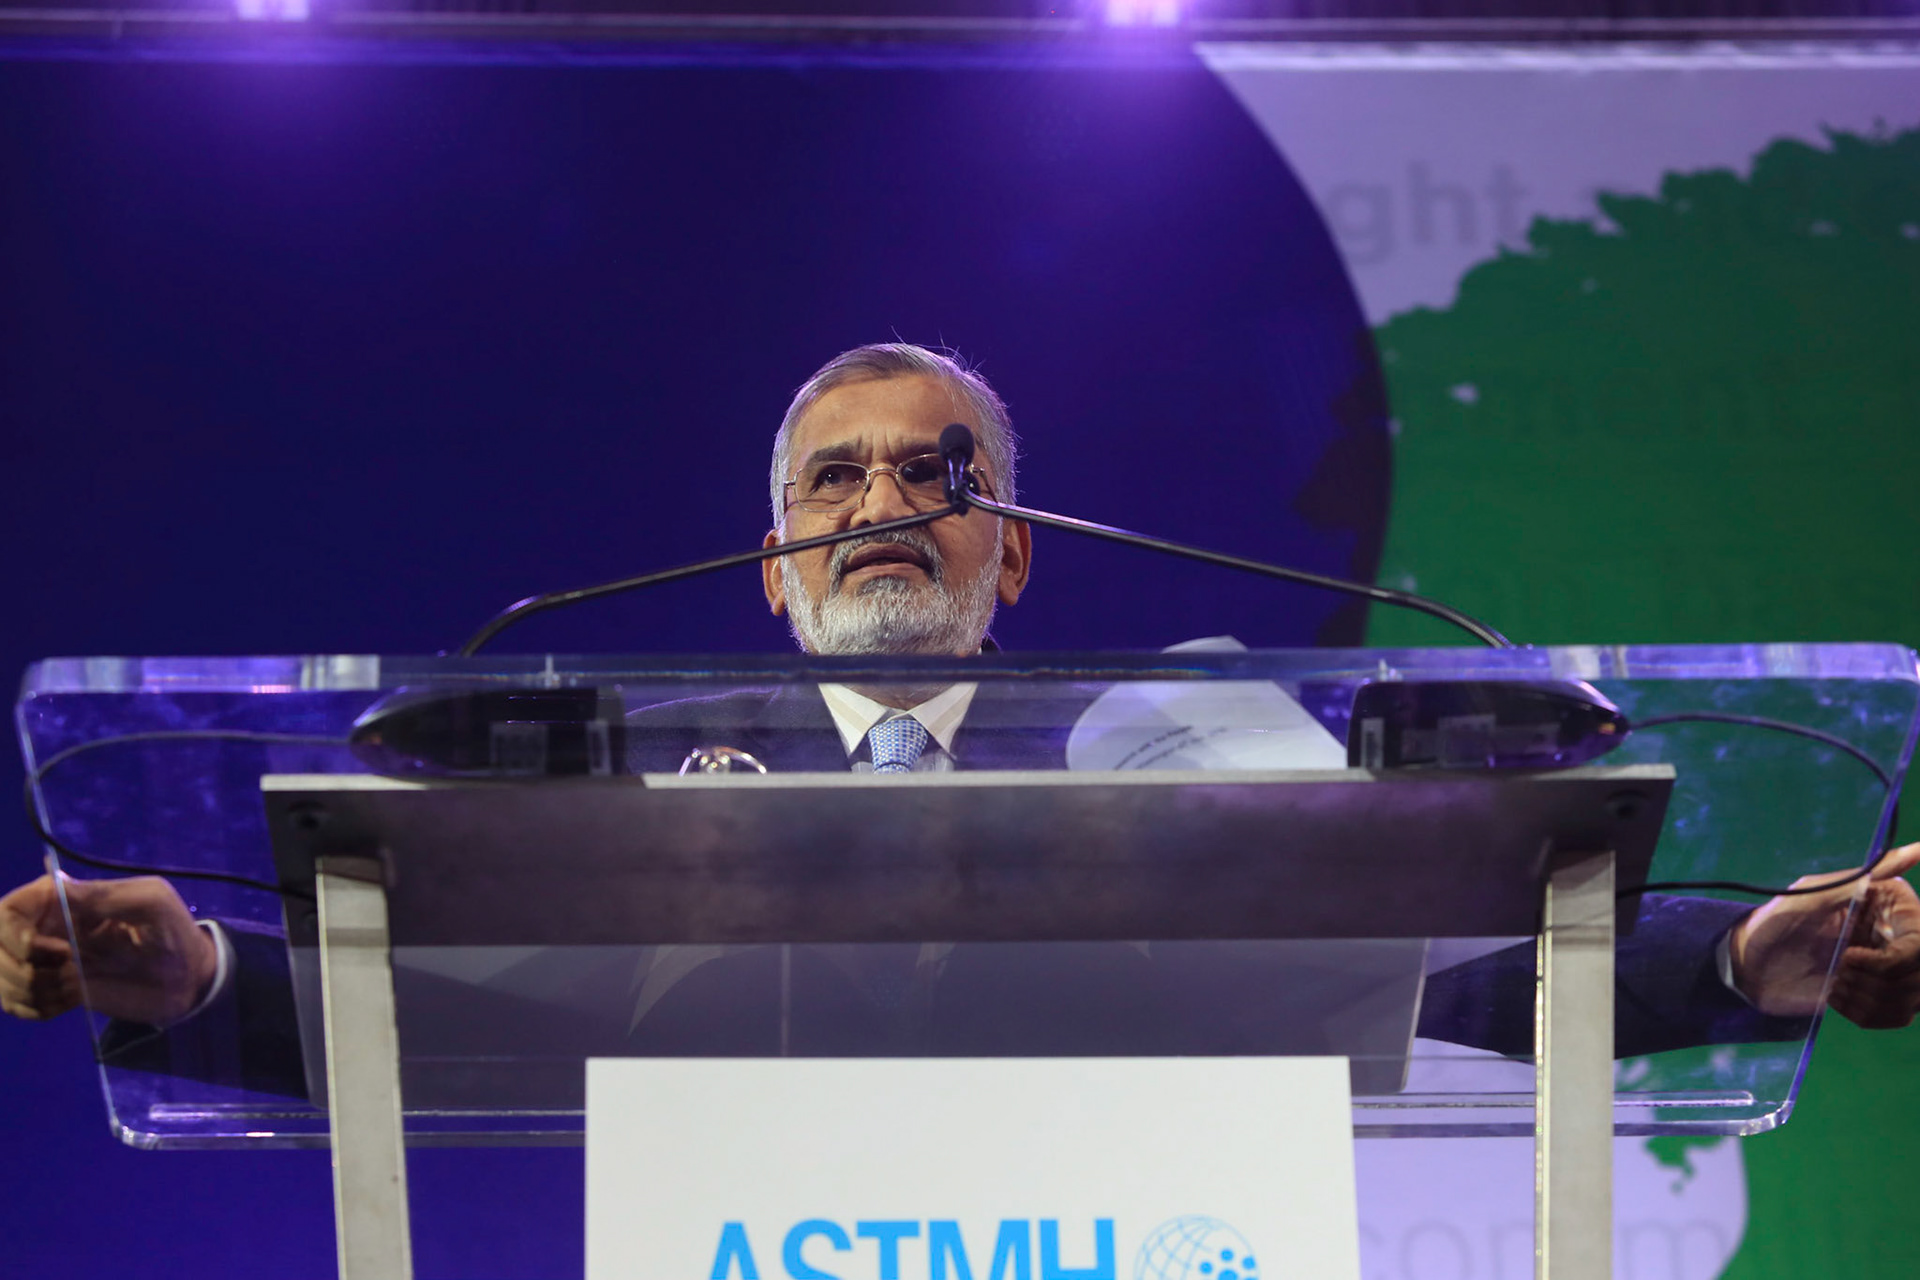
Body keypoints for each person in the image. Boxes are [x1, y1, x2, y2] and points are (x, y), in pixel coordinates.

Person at [6, 343, 1920, 1056]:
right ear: (771, 574)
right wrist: (193, 978)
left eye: (942, 474)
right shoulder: (631, 786)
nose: (887, 508)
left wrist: (1756, 953)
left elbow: (1439, 969)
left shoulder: (1181, 752)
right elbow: (429, 1018)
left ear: (1013, 557)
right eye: (836, 482)